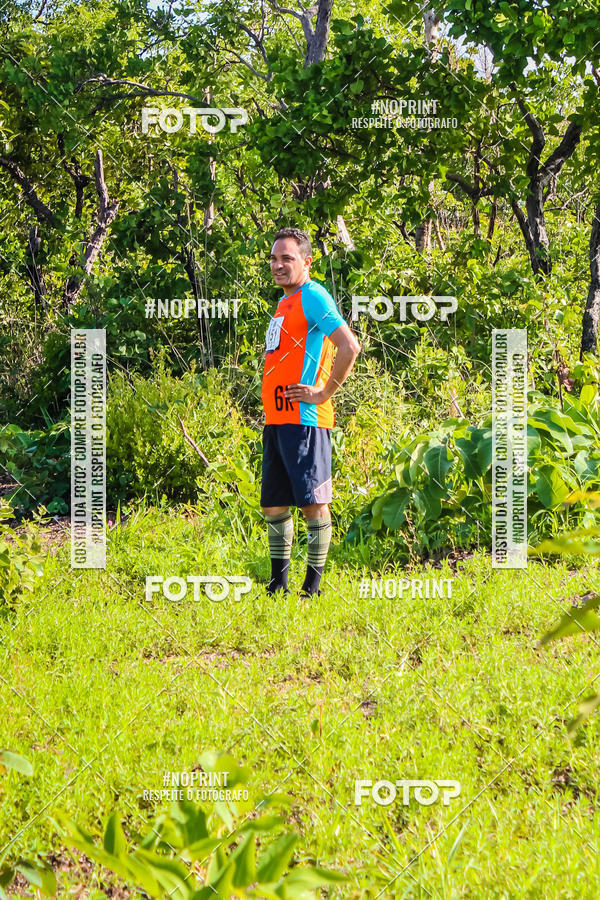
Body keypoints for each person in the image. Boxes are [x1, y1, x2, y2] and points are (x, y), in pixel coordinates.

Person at [261, 227, 361, 597]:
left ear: (307, 261)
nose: (278, 265)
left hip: (304, 422)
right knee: (274, 505)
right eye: (274, 258)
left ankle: (312, 589)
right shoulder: (285, 302)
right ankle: (277, 586)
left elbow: (350, 346)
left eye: (287, 258)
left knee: (313, 505)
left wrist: (323, 393)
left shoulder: (313, 295)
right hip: (277, 420)